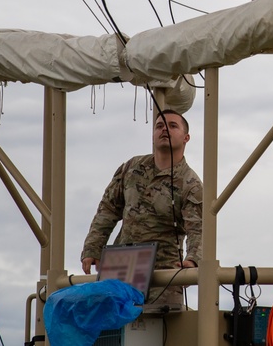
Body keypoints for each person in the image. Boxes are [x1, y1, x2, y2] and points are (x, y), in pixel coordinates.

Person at [80, 109, 202, 309]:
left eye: (172, 126)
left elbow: (197, 229)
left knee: (161, 334)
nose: (164, 130)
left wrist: (193, 262)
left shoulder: (191, 184)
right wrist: (92, 247)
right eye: (159, 126)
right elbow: (108, 209)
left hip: (163, 277)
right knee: (116, 334)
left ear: (186, 137)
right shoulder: (132, 168)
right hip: (121, 269)